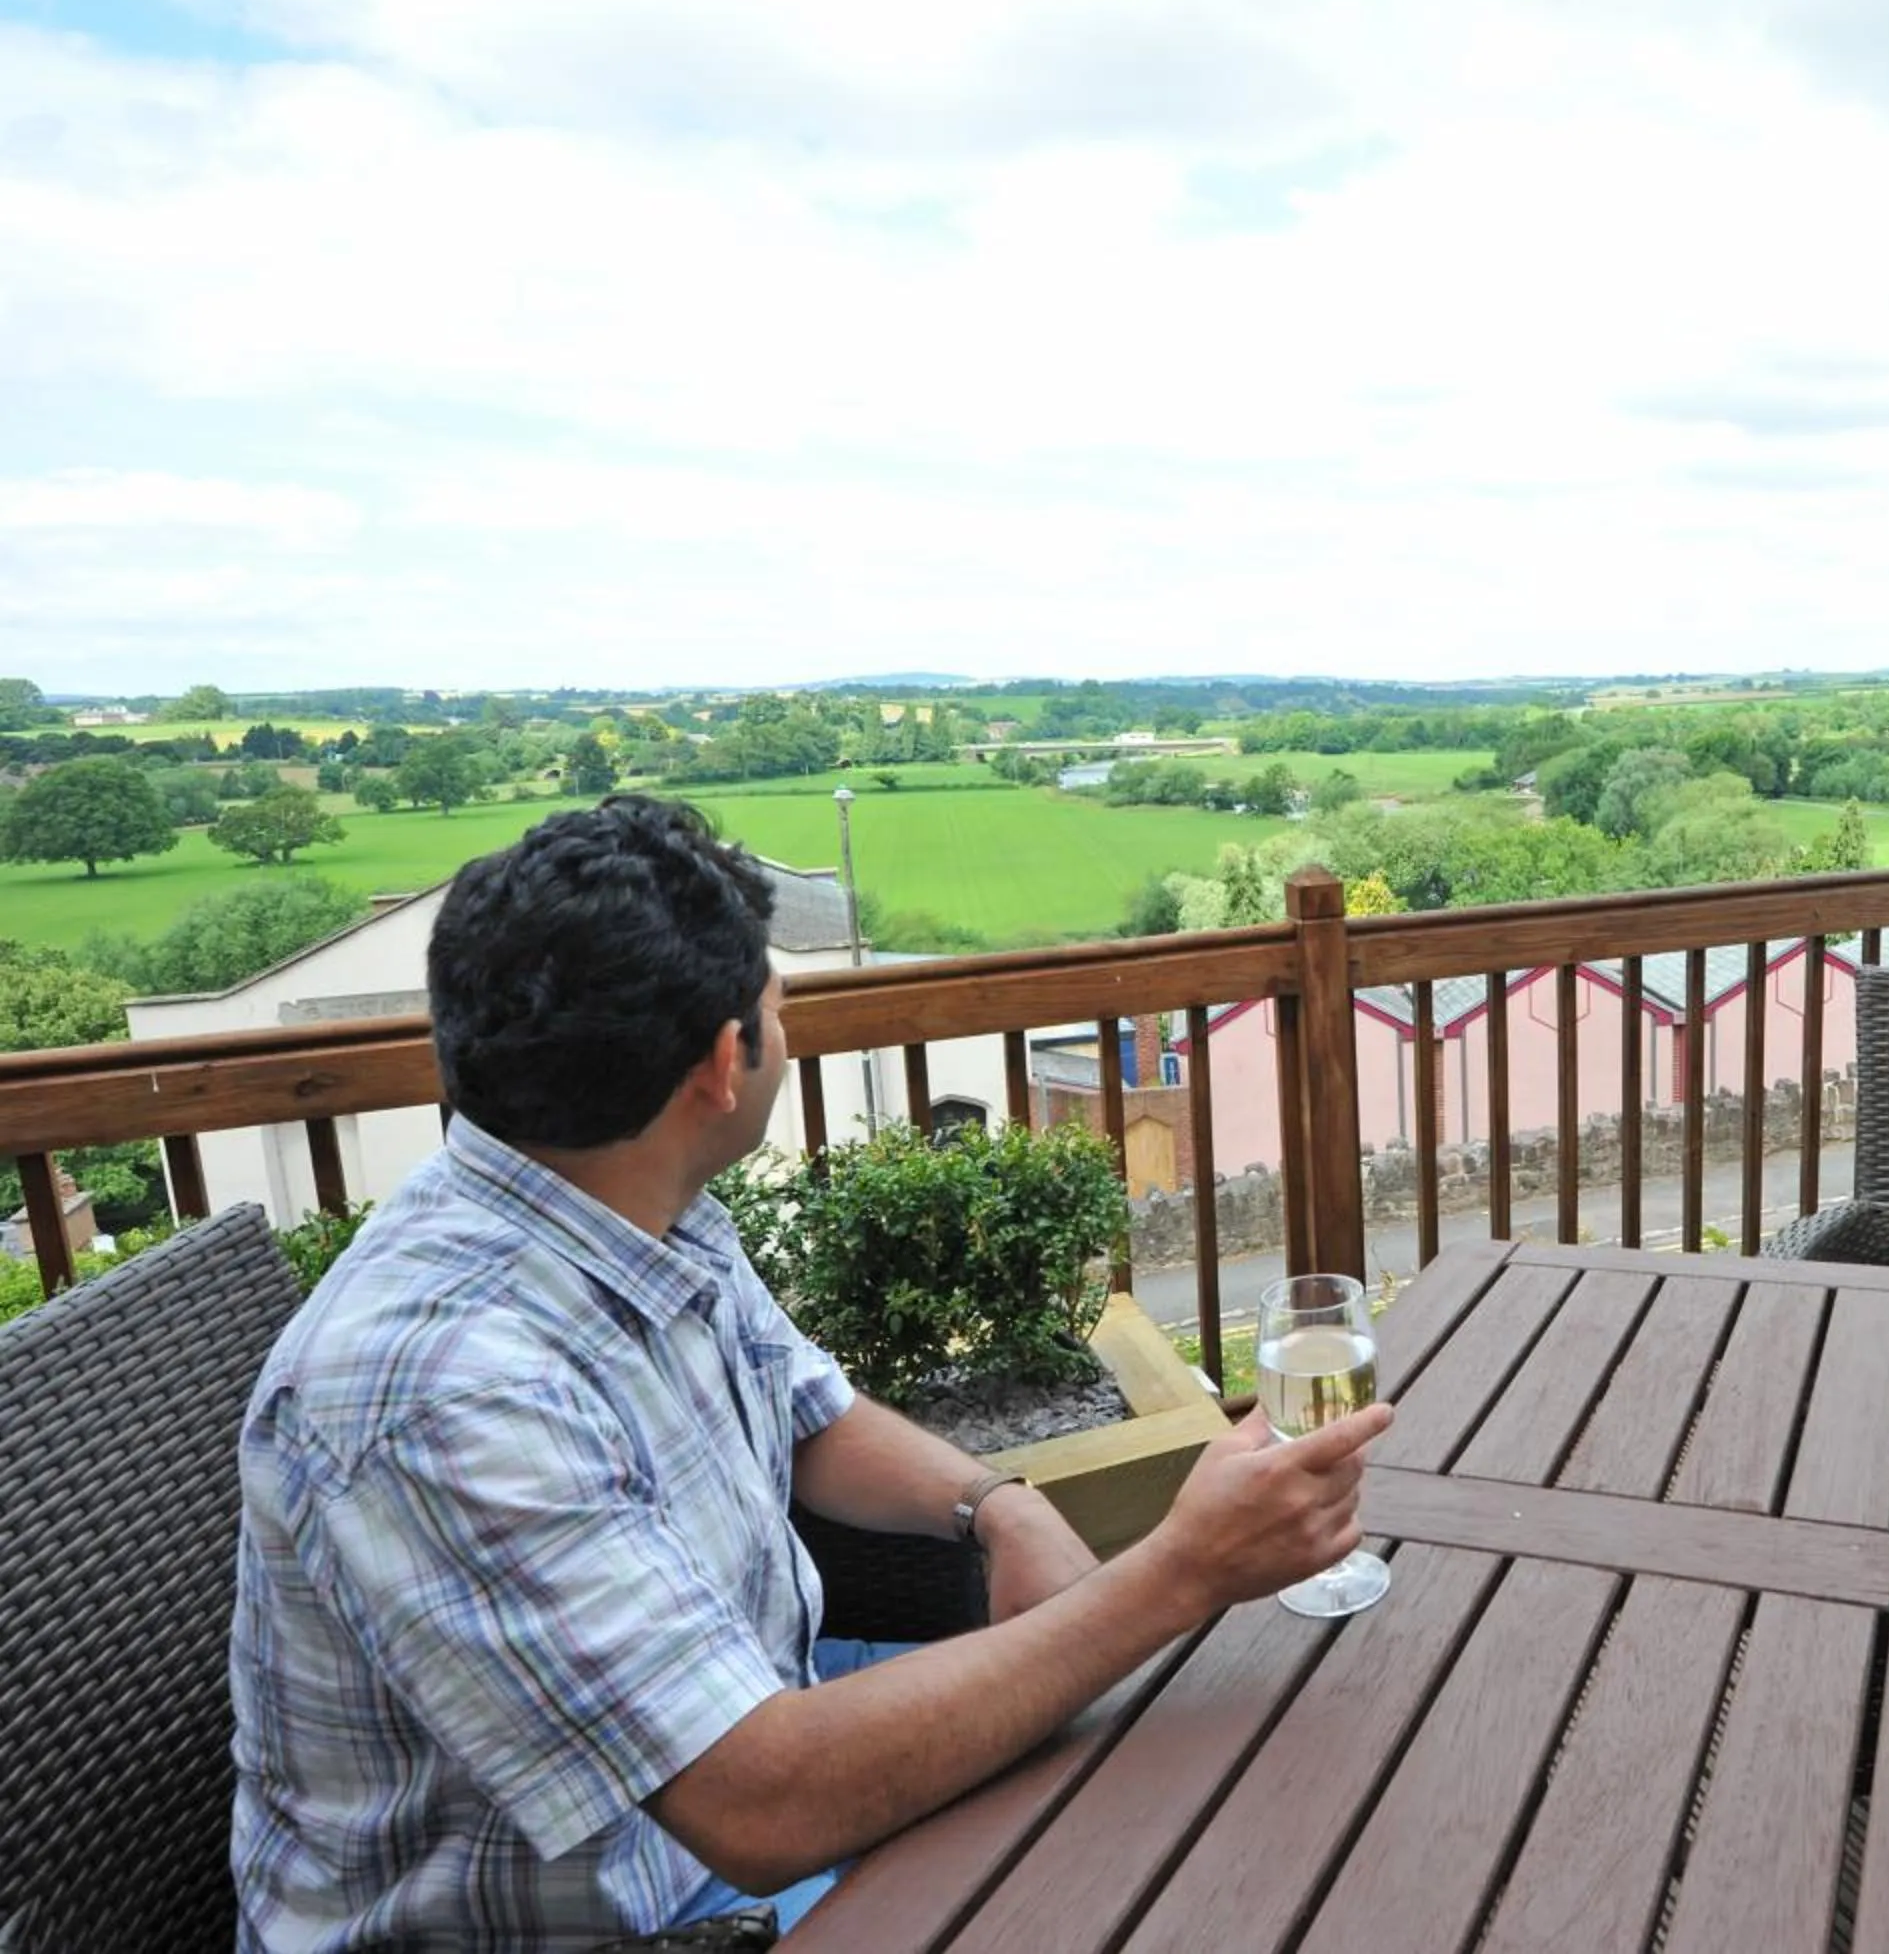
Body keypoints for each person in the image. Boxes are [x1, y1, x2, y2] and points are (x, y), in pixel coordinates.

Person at [229, 794, 1390, 1951]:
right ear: (727, 1064)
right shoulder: (440, 1391)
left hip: (746, 1753)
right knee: (1206, 1864)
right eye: (783, 1010)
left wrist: (999, 1506)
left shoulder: (620, 1199)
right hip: (630, 1906)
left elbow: (804, 1411)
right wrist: (1180, 1573)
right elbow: (759, 1800)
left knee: (1179, 1784)